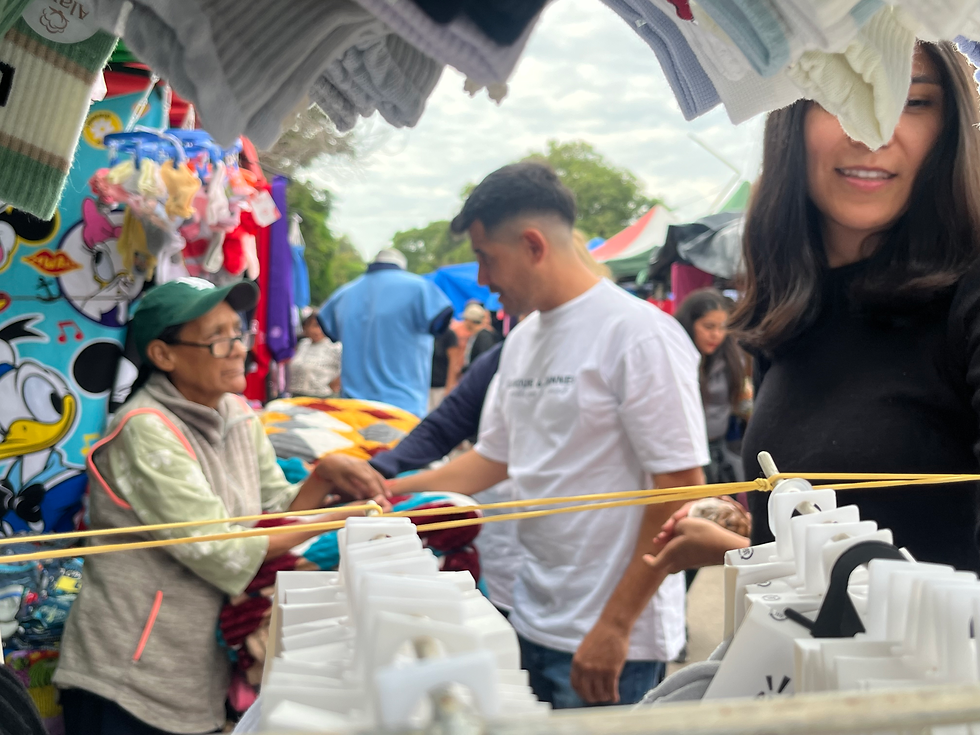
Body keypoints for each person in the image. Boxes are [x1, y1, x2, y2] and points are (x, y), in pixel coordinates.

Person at [390, 161, 709, 708]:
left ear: (533, 245)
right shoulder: (523, 339)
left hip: (609, 636)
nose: (483, 279)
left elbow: (679, 487)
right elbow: (494, 458)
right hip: (532, 614)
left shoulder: (637, 334)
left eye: (487, 258)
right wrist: (392, 491)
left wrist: (616, 624)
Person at [54, 278, 388, 735]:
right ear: (163, 355)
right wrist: (339, 518)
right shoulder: (144, 429)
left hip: (194, 669)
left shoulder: (237, 413)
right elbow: (224, 548)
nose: (238, 350)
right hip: (129, 673)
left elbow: (274, 510)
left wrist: (323, 475)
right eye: (217, 339)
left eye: (238, 333)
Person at [729, 41, 980, 573]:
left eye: (913, 102)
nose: (873, 131)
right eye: (838, 95)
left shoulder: (969, 298)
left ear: (950, 126)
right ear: (790, 115)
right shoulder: (789, 314)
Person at [320, 248, 453, 417]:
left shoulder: (342, 295)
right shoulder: (421, 289)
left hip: (353, 408)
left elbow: (328, 327)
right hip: (402, 408)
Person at [674, 288, 749, 485]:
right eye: (708, 326)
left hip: (721, 449)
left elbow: (741, 401)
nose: (716, 334)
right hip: (686, 455)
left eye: (722, 327)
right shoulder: (676, 360)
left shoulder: (732, 358)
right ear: (689, 324)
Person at [288, 312, 342, 398]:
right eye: (314, 326)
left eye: (321, 326)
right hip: (297, 395)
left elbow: (346, 370)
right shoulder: (303, 344)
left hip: (323, 396)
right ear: (305, 327)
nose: (318, 330)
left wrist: (334, 385)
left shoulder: (335, 346)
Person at [429, 325, 459, 412]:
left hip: (441, 386)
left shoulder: (449, 335)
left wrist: (449, 386)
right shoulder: (427, 333)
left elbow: (453, 363)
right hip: (426, 385)